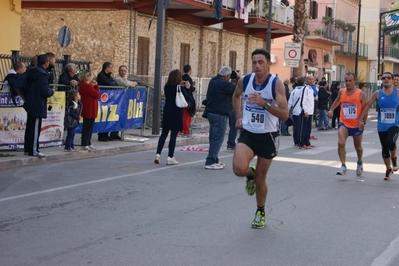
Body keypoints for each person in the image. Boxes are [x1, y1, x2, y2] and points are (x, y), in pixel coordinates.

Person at [232, 48, 289, 228]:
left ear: (268, 64)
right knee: (238, 169)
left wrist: (263, 103)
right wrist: (238, 116)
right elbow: (235, 96)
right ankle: (250, 173)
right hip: (248, 133)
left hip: (268, 136)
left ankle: (260, 210)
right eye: (254, 62)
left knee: (261, 180)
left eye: (260, 62)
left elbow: (285, 114)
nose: (257, 66)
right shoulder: (245, 80)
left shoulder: (276, 84)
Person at [358, 72, 399, 180]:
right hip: (382, 126)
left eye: (388, 78)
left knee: (391, 142)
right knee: (385, 149)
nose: (386, 79)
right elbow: (367, 105)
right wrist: (360, 119)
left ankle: (394, 158)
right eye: (384, 78)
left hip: (395, 124)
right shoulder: (378, 93)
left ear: (392, 80)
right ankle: (388, 169)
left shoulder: (397, 92)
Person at [327, 73, 367, 176]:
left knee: (357, 146)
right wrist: (331, 110)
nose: (348, 83)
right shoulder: (342, 91)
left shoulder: (360, 94)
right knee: (341, 143)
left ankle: (359, 162)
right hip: (344, 122)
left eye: (350, 81)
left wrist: (363, 122)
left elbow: (365, 109)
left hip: (356, 124)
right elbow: (337, 100)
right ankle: (343, 166)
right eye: (346, 81)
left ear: (355, 81)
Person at [154, 69, 190, 165]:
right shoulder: (179, 88)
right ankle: (170, 156)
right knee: (173, 136)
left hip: (167, 111)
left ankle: (158, 154)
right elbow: (187, 97)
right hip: (176, 112)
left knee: (164, 134)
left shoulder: (166, 87)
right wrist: (187, 88)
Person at [22, 54, 55, 158]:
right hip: (37, 103)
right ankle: (34, 150)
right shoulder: (42, 75)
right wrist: (51, 91)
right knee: (35, 128)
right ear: (46, 63)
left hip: (30, 102)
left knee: (30, 127)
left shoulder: (31, 71)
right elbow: (44, 91)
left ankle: (28, 149)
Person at [204, 66, 237, 170]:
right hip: (220, 114)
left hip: (211, 113)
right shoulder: (223, 84)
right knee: (217, 138)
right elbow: (236, 90)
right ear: (227, 76)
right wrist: (237, 79)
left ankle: (214, 158)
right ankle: (211, 161)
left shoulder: (213, 81)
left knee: (213, 137)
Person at [96, 62, 119, 141]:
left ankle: (106, 134)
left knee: (107, 117)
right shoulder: (101, 75)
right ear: (107, 68)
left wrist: (112, 84)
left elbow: (114, 83)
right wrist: (111, 84)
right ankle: (102, 135)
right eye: (110, 67)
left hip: (108, 98)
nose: (111, 69)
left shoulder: (109, 76)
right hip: (103, 99)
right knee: (103, 116)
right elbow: (107, 83)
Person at [79, 70, 100, 151]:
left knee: (89, 127)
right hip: (89, 108)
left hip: (90, 107)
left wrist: (94, 86)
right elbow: (97, 94)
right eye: (91, 76)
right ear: (87, 76)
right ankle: (84, 143)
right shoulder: (86, 86)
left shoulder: (87, 85)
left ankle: (88, 142)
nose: (92, 78)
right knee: (87, 127)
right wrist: (95, 86)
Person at [180, 64, 196, 137]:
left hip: (181, 99)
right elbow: (190, 89)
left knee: (182, 115)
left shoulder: (181, 77)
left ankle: (181, 129)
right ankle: (186, 130)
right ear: (189, 70)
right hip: (187, 99)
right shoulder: (188, 78)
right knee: (187, 115)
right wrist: (193, 87)